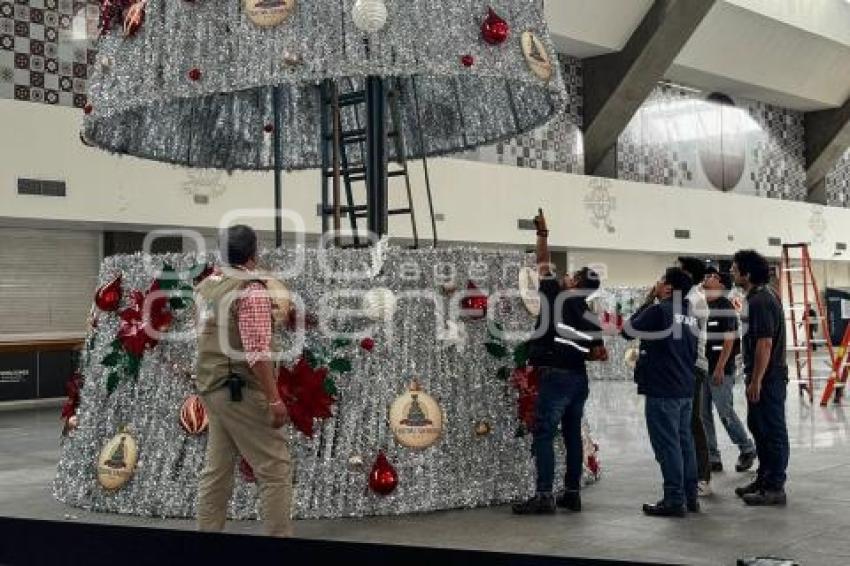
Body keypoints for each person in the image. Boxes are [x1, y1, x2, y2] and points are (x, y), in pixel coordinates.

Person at [195, 225, 293, 537]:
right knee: (274, 469)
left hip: (212, 387)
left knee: (218, 472)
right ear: (254, 253)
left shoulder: (208, 286)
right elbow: (257, 353)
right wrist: (275, 399)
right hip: (240, 390)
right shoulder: (250, 290)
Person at [512, 210, 604, 515]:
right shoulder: (590, 314)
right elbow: (598, 353)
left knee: (544, 433)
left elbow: (543, 264)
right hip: (579, 380)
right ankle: (572, 493)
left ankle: (544, 496)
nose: (565, 275)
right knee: (572, 434)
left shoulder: (556, 296)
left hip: (556, 379)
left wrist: (542, 235)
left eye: (571, 274)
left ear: (575, 282)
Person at [623, 267, 699, 518]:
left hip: (663, 388)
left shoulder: (660, 310)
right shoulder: (689, 314)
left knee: (668, 446)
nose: (658, 284)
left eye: (662, 281)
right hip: (685, 388)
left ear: (668, 288)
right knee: (684, 444)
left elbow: (628, 330)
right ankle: (690, 496)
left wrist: (649, 299)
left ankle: (674, 499)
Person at [731, 250, 789, 506]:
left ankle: (775, 486)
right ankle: (764, 479)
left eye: (735, 269)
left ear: (747, 273)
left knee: (772, 430)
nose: (732, 272)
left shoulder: (761, 301)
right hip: (764, 375)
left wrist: (756, 381)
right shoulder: (757, 297)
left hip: (769, 377)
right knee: (759, 428)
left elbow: (764, 344)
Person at [701, 266, 756, 473]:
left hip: (720, 370)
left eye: (713, 277)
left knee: (724, 411)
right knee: (702, 413)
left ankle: (747, 448)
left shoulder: (725, 307)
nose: (708, 279)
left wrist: (720, 368)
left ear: (721, 286)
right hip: (704, 368)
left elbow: (730, 339)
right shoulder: (705, 307)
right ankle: (712, 456)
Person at [677, 257, 712, 496]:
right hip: (685, 365)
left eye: (679, 270)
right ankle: (688, 473)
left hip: (693, 366)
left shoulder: (693, 301)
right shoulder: (686, 299)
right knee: (684, 421)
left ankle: (702, 476)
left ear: (688, 274)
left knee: (693, 421)